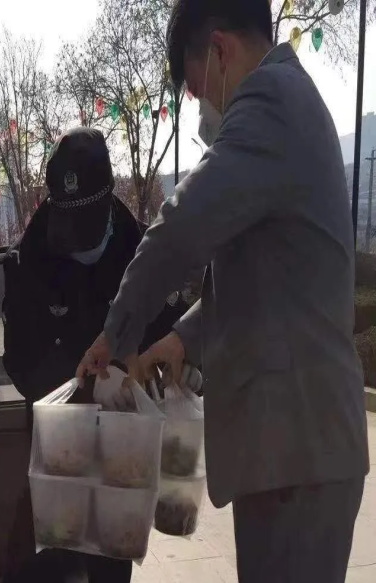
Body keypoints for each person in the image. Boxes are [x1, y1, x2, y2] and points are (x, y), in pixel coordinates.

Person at [76, 1, 370, 582]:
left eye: (197, 91)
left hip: (299, 451)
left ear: (219, 50)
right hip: (295, 454)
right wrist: (183, 340)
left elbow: (182, 227)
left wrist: (115, 336)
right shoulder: (290, 104)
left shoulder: (271, 100)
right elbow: (270, 281)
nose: (203, 110)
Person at [1, 126, 190, 583]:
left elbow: (171, 342)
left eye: (86, 226)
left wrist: (147, 371)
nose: (77, 241)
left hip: (120, 458)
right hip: (58, 454)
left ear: (107, 204)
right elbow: (19, 361)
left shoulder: (141, 252)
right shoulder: (30, 260)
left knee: (110, 567)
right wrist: (79, 391)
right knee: (43, 565)